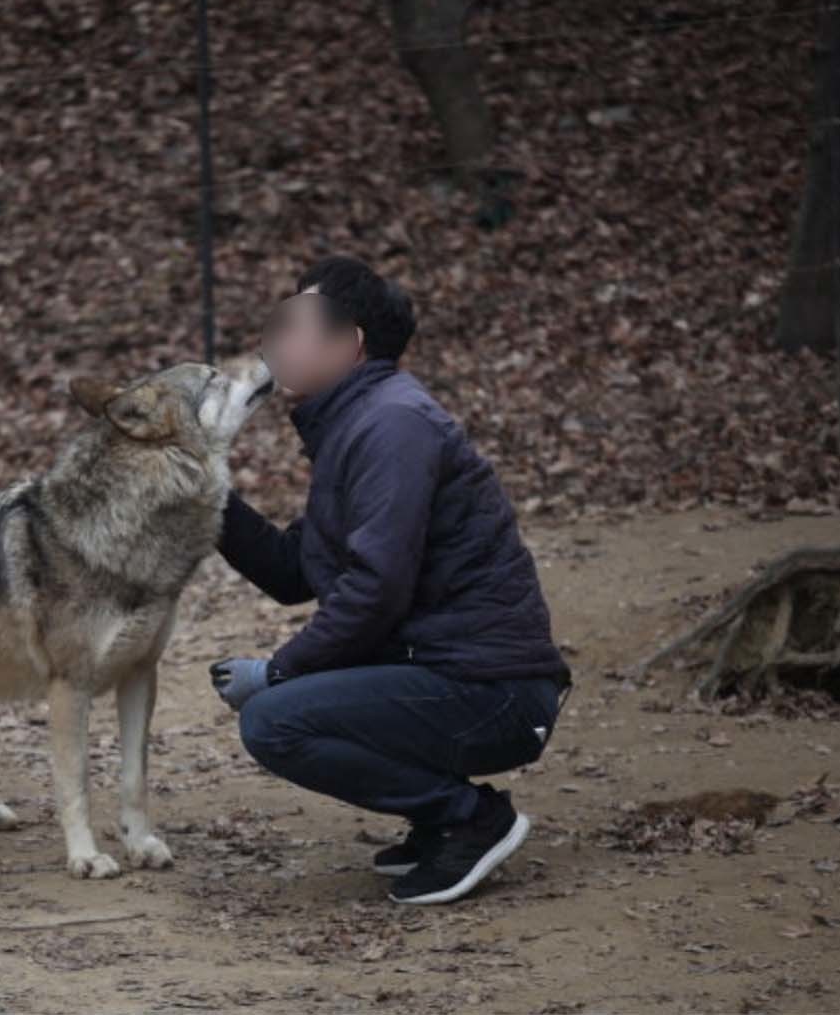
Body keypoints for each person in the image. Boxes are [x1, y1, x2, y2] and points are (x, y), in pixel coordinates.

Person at [210, 255, 572, 905]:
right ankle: (440, 816)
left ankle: (469, 817)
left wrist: (279, 672)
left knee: (273, 721)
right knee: (285, 703)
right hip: (450, 673)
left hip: (492, 689)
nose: (279, 340)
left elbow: (377, 589)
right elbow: (297, 572)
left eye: (296, 324)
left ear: (348, 343)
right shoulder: (357, 419)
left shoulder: (392, 424)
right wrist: (204, 496)